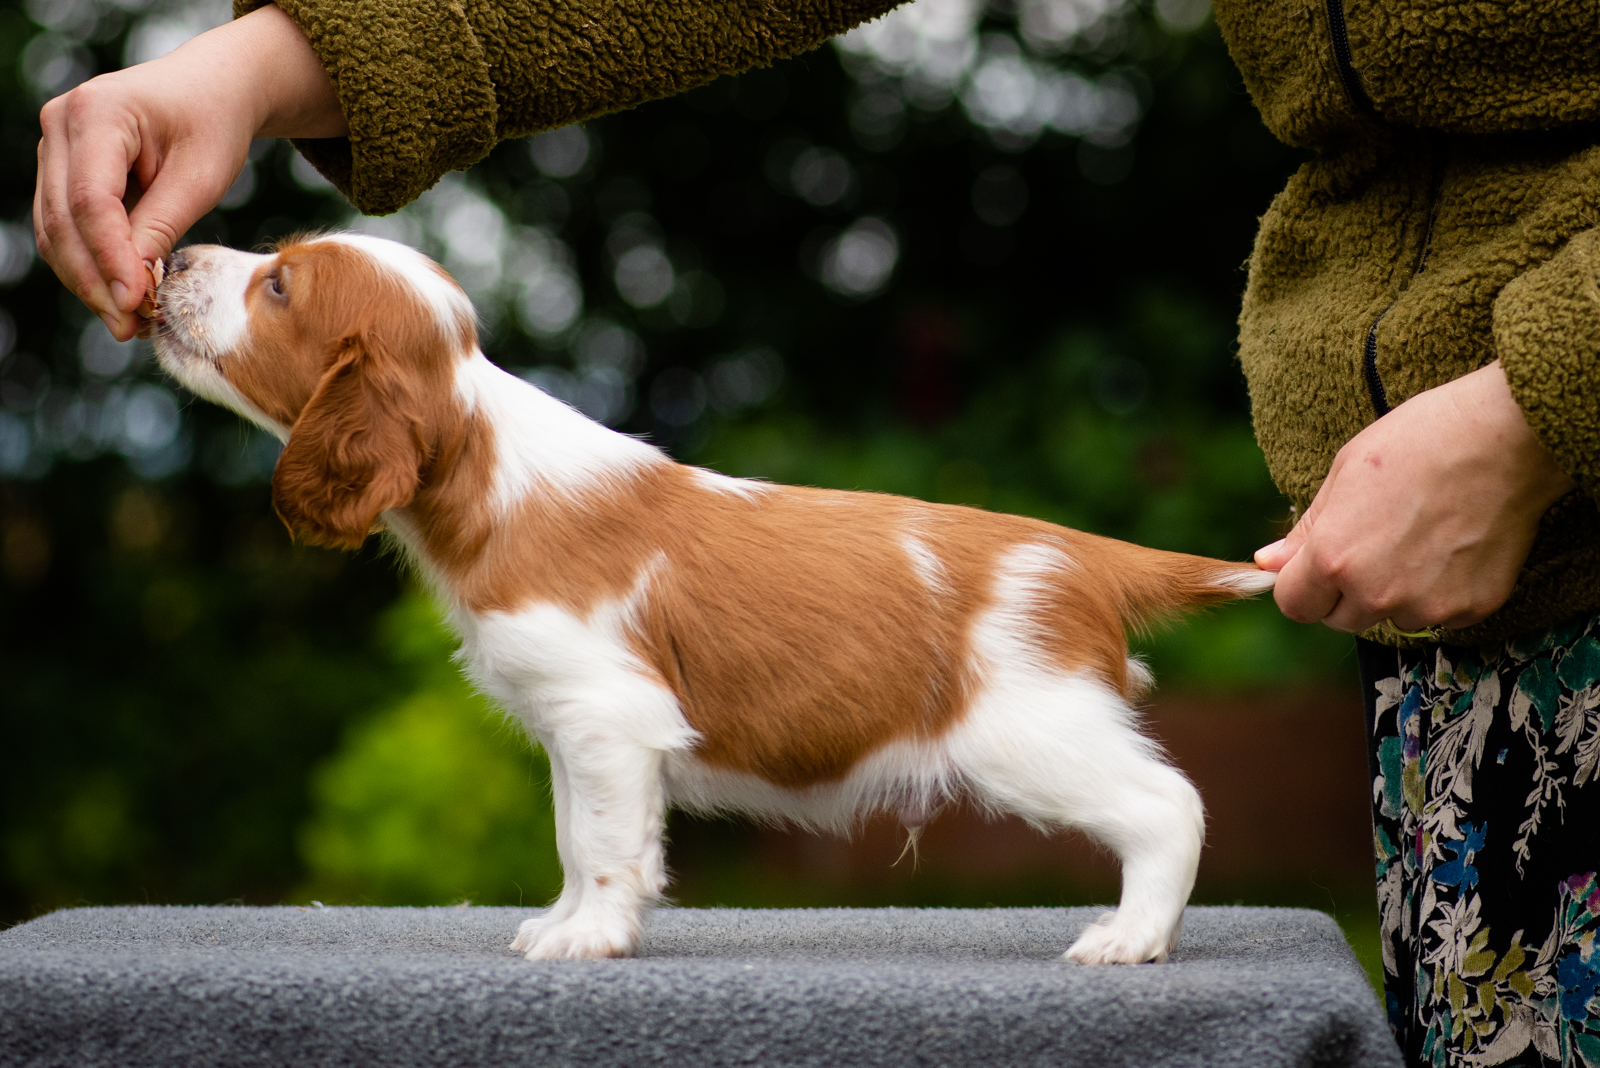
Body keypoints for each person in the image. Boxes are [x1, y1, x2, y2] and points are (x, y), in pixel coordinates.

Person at [34, 1, 1600, 1063]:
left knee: (1015, 733)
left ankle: (1148, 840)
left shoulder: (533, 543)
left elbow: (613, 713)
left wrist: (1545, 391)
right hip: (1482, 658)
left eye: (284, 283)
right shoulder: (543, 512)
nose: (242, 282)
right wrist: (275, 55)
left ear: (366, 428)